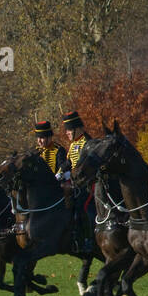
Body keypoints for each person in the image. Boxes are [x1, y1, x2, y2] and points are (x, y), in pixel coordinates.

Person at [61, 110, 94, 256]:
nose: (67, 133)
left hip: (87, 184)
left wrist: (72, 174)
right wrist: (60, 173)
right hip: (76, 184)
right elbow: (68, 162)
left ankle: (88, 239)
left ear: (77, 128)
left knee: (83, 207)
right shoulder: (74, 144)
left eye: (69, 130)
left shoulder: (86, 142)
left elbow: (83, 164)